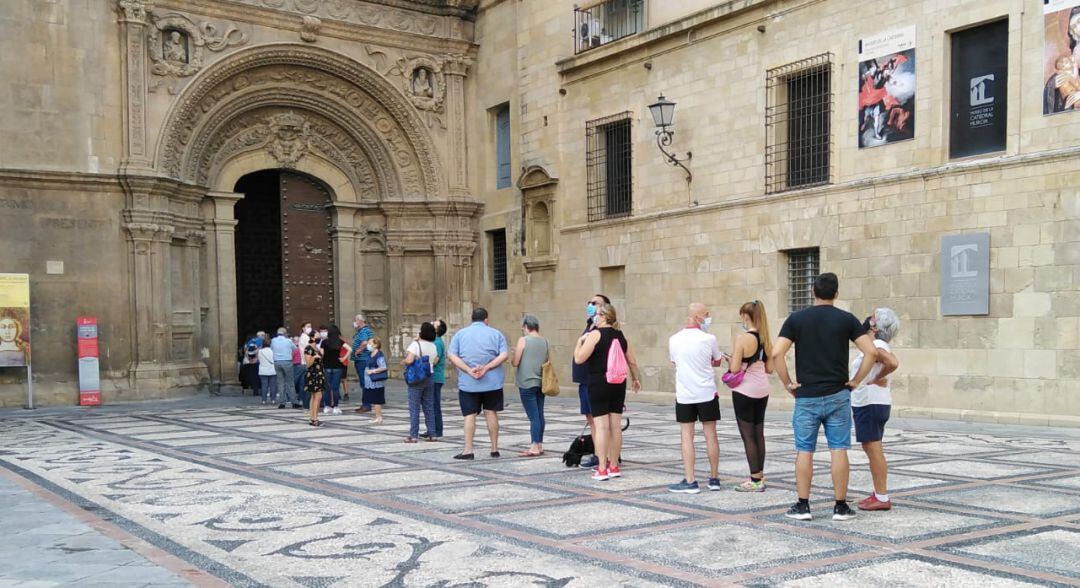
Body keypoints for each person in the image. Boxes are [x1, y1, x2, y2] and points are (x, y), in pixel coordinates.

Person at [772, 273, 878, 522]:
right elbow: (871, 352)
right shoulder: (846, 319)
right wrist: (855, 381)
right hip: (838, 394)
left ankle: (803, 505)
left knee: (804, 450)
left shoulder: (797, 319)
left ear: (812, 291)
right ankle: (840, 506)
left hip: (806, 394)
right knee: (838, 448)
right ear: (836, 294)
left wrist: (788, 383)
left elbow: (777, 353)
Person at [574, 303, 641, 481]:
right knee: (615, 427)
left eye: (596, 314)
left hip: (598, 383)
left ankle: (602, 468)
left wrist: (579, 342)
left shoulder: (595, 334)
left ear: (603, 316)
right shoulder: (620, 335)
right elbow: (632, 361)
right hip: (618, 383)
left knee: (602, 427)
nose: (595, 317)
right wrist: (635, 379)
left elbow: (579, 358)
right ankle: (614, 466)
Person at [667, 303, 724, 493]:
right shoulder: (709, 339)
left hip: (685, 394)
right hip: (707, 392)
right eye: (706, 314)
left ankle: (690, 480)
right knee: (711, 435)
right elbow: (717, 360)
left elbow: (674, 361)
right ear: (698, 316)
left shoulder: (674, 339)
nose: (708, 317)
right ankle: (714, 478)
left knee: (687, 436)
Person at [851, 308, 901, 512]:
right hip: (873, 402)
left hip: (870, 403)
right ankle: (879, 492)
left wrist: (876, 378)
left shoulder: (876, 345)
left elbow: (892, 362)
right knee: (873, 447)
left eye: (871, 316)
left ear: (875, 325)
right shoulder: (878, 345)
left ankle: (881, 496)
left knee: (874, 449)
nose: (867, 318)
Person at [448, 308, 509, 460]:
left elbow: (452, 356)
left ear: (472, 319)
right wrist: (487, 367)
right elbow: (504, 355)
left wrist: (469, 370)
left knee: (469, 415)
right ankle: (494, 448)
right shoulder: (496, 333)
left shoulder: (460, 334)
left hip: (469, 383)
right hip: (492, 383)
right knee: (491, 412)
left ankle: (468, 450)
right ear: (486, 320)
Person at [729, 300, 774, 492]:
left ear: (745, 316)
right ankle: (760, 475)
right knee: (758, 433)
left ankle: (755, 480)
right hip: (762, 389)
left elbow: (735, 368)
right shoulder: (766, 338)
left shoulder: (743, 339)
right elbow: (770, 368)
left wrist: (730, 360)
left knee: (747, 435)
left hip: (745, 390)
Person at [571, 294, 610, 470]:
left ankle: (601, 456)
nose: (590, 305)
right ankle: (604, 454)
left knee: (599, 421)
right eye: (589, 302)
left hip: (593, 380)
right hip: (585, 380)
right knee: (592, 419)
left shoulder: (599, 330)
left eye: (594, 303)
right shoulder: (590, 325)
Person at [513, 314, 549, 457]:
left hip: (527, 382)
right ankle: (539, 444)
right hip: (541, 382)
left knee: (533, 416)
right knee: (540, 414)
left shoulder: (523, 340)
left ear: (527, 326)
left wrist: (514, 354)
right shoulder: (546, 341)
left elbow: (515, 362)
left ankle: (534, 445)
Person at [403, 323, 439, 443]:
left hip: (417, 378)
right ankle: (432, 433)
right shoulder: (433, 346)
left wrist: (404, 360)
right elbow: (435, 360)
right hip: (429, 376)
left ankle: (413, 435)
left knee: (414, 407)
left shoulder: (415, 344)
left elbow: (409, 360)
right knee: (428, 406)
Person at [321, 325, 349, 416]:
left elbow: (322, 354)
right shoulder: (340, 342)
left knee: (327, 388)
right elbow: (350, 349)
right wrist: (343, 358)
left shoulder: (324, 342)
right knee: (335, 388)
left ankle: (327, 406)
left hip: (327, 366)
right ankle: (336, 407)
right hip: (338, 366)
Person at [429, 319, 449, 440]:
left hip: (435, 378)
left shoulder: (437, 342)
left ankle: (437, 430)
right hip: (434, 377)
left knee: (434, 404)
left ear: (437, 329)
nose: (431, 323)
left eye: (434, 324)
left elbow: (434, 360)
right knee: (430, 404)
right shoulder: (435, 341)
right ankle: (432, 429)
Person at [351, 315, 376, 413]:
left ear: (360, 321)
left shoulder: (364, 331)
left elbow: (365, 343)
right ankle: (366, 403)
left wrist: (358, 351)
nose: (354, 322)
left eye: (355, 320)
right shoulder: (363, 331)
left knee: (364, 382)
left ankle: (366, 404)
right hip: (362, 359)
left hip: (362, 360)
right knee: (364, 382)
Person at [270, 327, 299, 408]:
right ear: (285, 333)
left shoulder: (273, 340)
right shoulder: (288, 341)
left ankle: (282, 402)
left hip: (277, 362)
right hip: (287, 362)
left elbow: (272, 348)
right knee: (290, 382)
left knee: (280, 383)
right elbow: (295, 349)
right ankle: (294, 401)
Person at [363, 337, 388, 424]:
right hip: (370, 380)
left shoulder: (379, 355)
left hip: (376, 380)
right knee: (374, 399)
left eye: (370, 343)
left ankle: (379, 417)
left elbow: (383, 367)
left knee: (377, 400)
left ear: (376, 345)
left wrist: (373, 371)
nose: (368, 345)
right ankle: (377, 416)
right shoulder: (370, 354)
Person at [304, 330, 326, 426]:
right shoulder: (308, 348)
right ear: (312, 337)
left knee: (315, 396)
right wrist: (314, 357)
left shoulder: (317, 348)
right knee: (317, 396)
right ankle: (314, 418)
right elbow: (308, 364)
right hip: (313, 374)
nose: (319, 337)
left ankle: (312, 418)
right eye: (317, 336)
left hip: (319, 373)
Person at [257, 339, 277, 406]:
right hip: (272, 370)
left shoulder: (260, 351)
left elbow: (258, 360)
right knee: (273, 386)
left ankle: (263, 400)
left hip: (263, 370)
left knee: (264, 386)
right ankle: (273, 400)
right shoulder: (273, 351)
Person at [291, 335, 307, 408]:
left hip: (297, 366)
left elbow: (291, 357)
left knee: (293, 382)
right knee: (302, 383)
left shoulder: (296, 349)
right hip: (304, 365)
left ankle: (291, 398)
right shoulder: (304, 348)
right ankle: (301, 398)